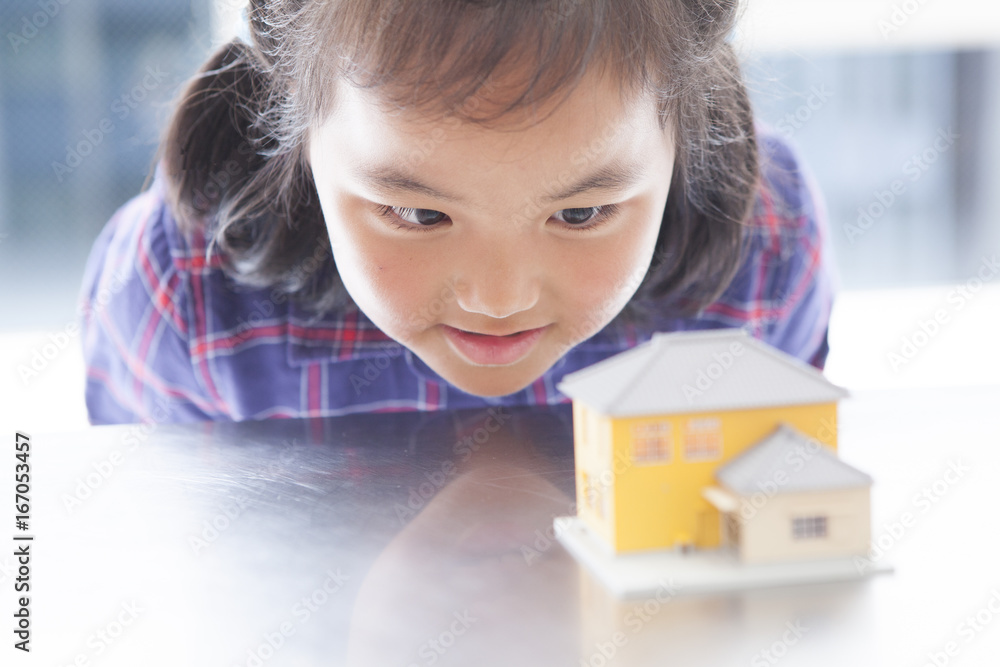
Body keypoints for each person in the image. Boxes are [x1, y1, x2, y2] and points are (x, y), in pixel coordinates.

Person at [80, 0, 836, 424]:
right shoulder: (179, 296)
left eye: (581, 214)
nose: (498, 299)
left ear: (684, 133)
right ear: (298, 126)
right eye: (417, 214)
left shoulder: (764, 261)